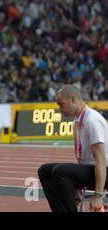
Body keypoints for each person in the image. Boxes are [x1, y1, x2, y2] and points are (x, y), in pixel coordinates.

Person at [38, 84, 108, 212]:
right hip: (90, 170)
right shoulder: (77, 121)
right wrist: (76, 186)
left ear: (72, 99)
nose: (60, 109)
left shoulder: (92, 120)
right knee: (45, 171)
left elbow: (101, 160)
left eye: (61, 104)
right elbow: (82, 158)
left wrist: (98, 195)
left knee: (60, 171)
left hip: (104, 172)